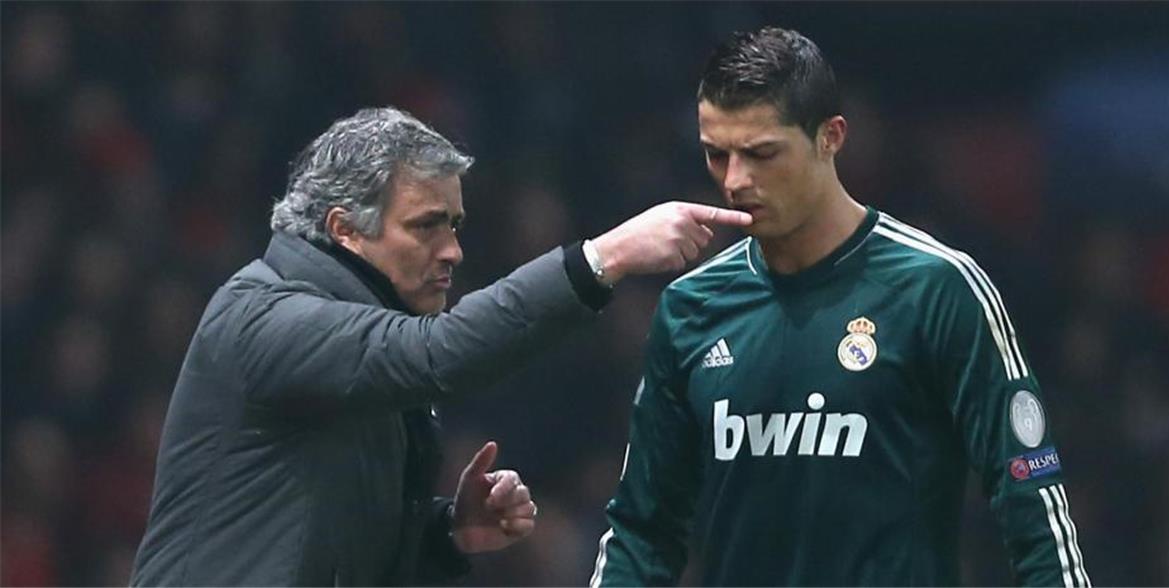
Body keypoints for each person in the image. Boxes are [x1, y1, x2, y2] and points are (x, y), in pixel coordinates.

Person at [130, 107, 751, 586]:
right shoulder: (265, 316)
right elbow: (439, 353)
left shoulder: (354, 334)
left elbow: (325, 539)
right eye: (426, 226)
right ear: (344, 230)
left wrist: (446, 531)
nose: (452, 250)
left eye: (453, 225)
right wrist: (603, 258)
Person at [590, 27, 1089, 587]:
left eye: (761, 153)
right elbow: (642, 530)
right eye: (716, 154)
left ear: (830, 137)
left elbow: (1031, 500)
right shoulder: (691, 308)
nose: (735, 180)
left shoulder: (936, 288)